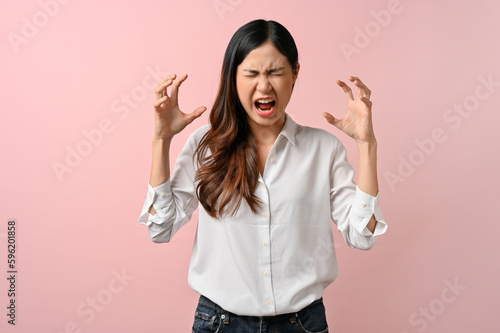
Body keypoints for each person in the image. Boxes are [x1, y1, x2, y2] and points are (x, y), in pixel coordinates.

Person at [138, 19, 387, 333]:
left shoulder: (324, 149)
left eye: (275, 72)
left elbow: (362, 236)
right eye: (252, 73)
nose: (264, 85)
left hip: (302, 324)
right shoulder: (205, 146)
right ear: (234, 77)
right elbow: (160, 229)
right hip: (220, 323)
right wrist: (161, 140)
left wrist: (367, 144)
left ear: (295, 73)